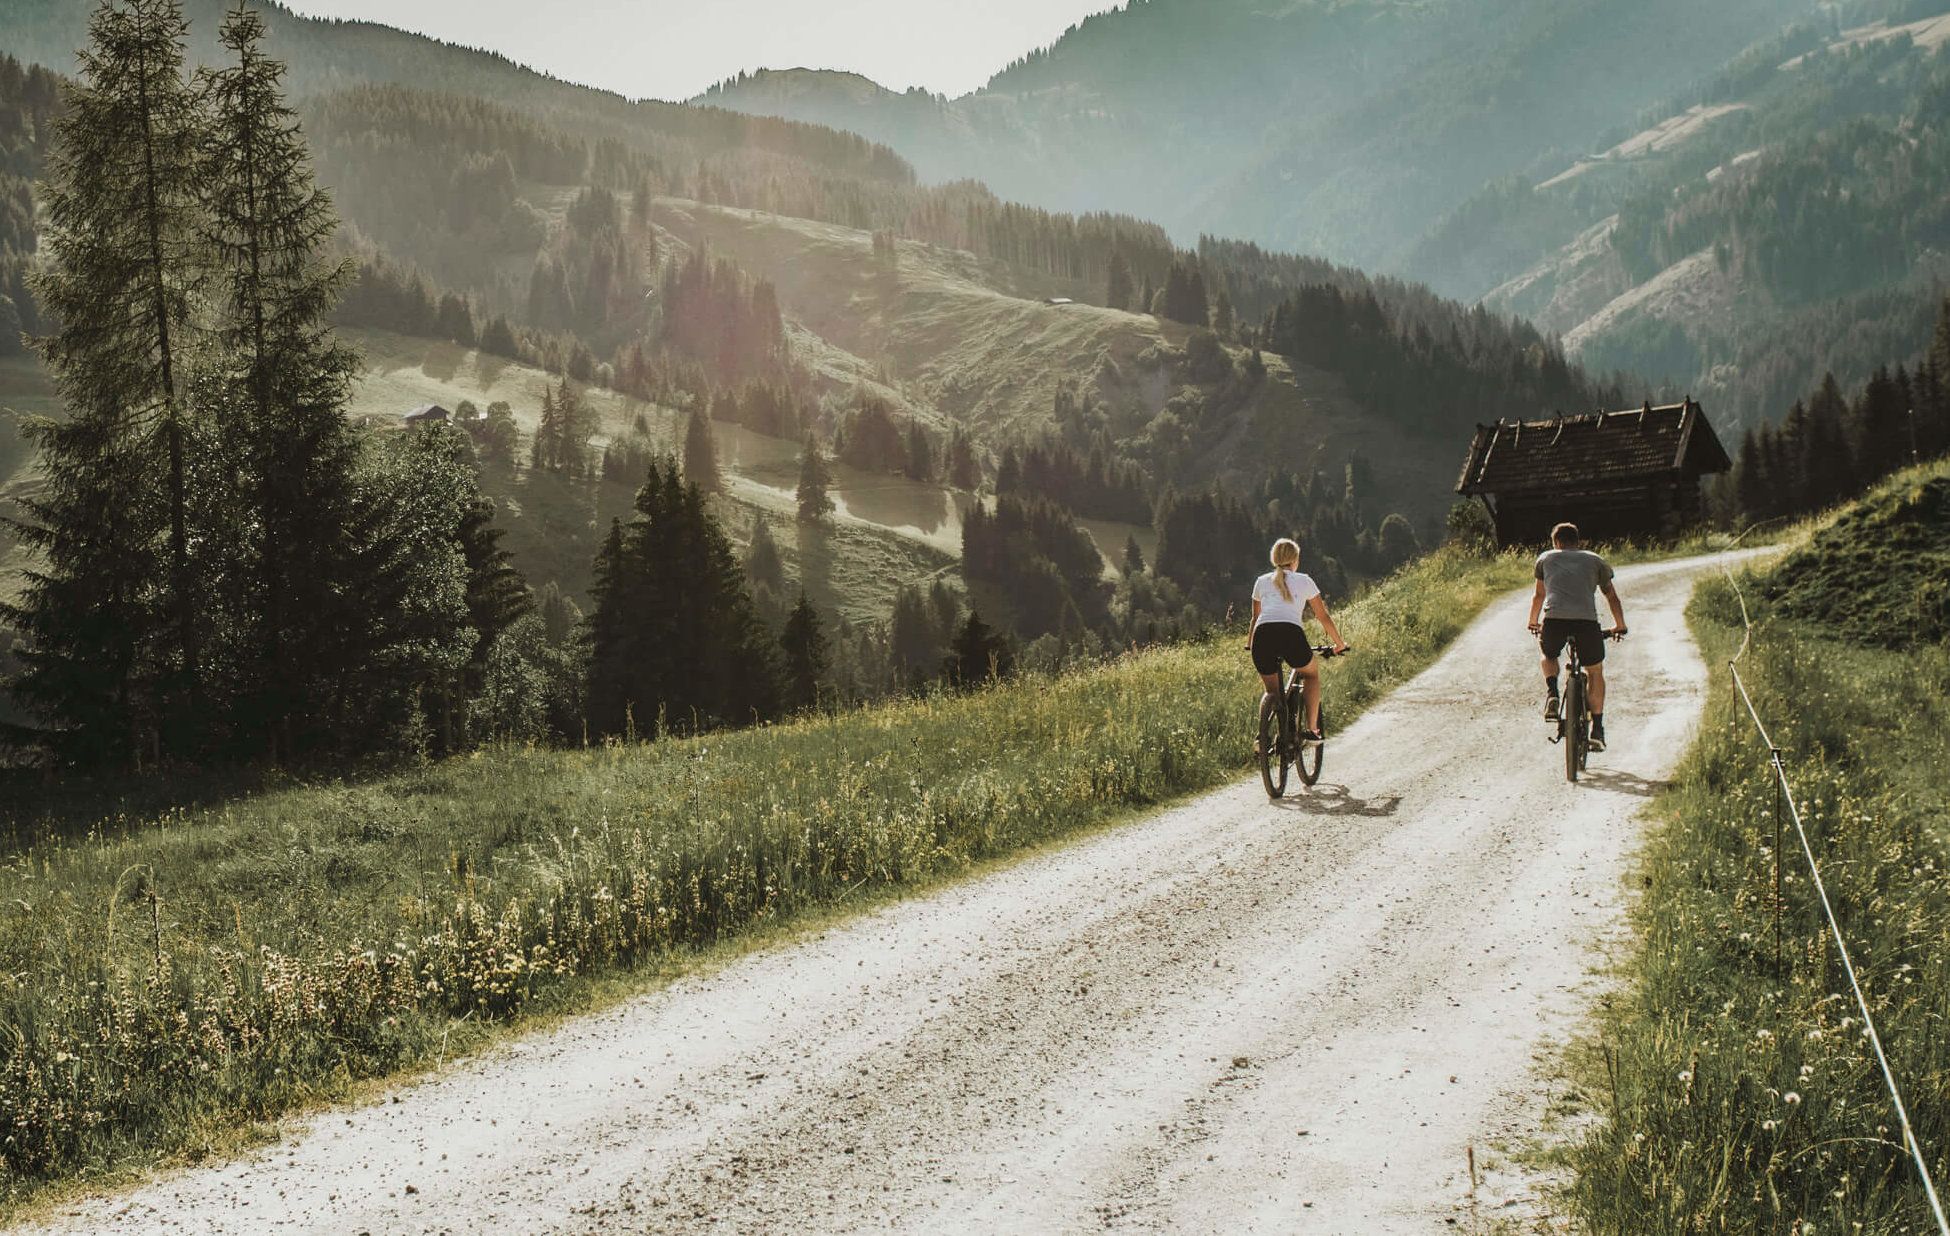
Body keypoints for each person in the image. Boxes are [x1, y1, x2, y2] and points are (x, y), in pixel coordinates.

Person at [1527, 522, 1627, 751]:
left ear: (1556, 543)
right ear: (1577, 541)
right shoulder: (1594, 560)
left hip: (1554, 620)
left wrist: (1533, 621)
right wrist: (1619, 625)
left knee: (1548, 653)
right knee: (1595, 671)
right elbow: (1612, 597)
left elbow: (1538, 595)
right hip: (1586, 622)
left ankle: (1552, 692)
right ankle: (1598, 729)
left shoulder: (1546, 558)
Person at [1244, 537, 1347, 746]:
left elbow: (1255, 618)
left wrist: (1250, 643)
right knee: (1311, 674)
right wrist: (1339, 643)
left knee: (1272, 692)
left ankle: (1262, 738)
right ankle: (1311, 730)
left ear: (1274, 559)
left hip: (1262, 636)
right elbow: (1322, 616)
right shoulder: (1304, 580)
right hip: (1291, 633)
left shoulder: (1261, 581)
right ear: (1295, 560)